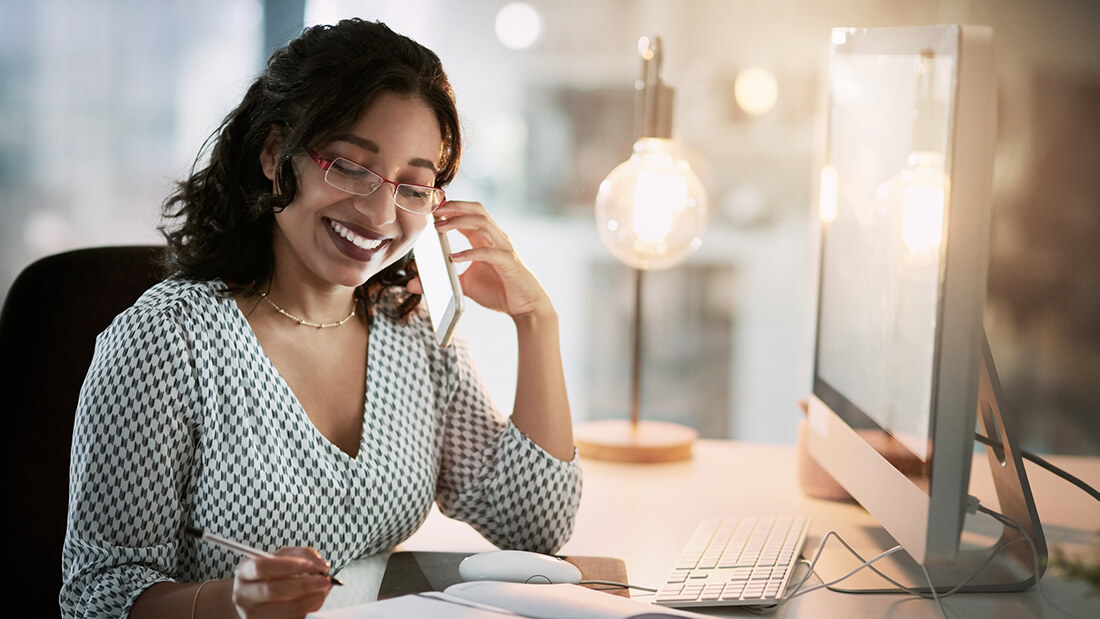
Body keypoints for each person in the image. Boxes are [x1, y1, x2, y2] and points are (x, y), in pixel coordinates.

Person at [61, 18, 582, 619]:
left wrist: (536, 320)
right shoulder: (165, 342)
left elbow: (535, 526)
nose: (379, 212)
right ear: (275, 154)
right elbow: (94, 599)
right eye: (352, 167)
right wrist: (228, 603)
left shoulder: (409, 327)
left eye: (414, 186)